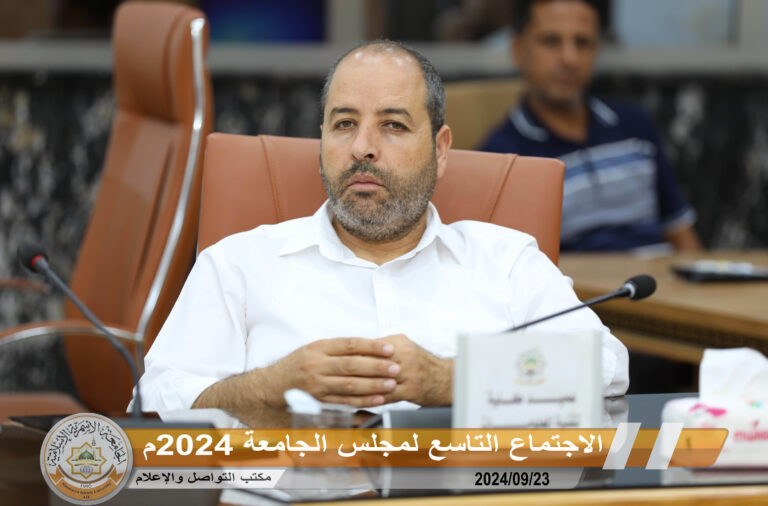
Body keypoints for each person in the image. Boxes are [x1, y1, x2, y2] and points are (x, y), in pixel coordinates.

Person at [134, 41, 628, 421]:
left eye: (393, 125)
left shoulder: (504, 260)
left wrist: (453, 380)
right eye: (344, 124)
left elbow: (607, 369)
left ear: (440, 149)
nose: (363, 147)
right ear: (322, 139)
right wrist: (271, 386)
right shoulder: (239, 264)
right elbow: (151, 404)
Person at [481, 0, 701, 252]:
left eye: (582, 42)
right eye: (551, 41)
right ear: (518, 49)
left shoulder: (636, 127)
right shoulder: (503, 158)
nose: (569, 58)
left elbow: (681, 233)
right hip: (577, 279)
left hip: (661, 274)